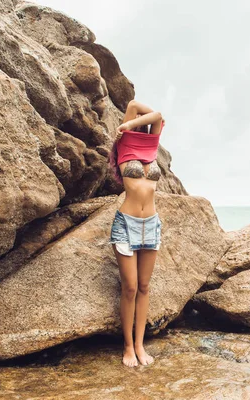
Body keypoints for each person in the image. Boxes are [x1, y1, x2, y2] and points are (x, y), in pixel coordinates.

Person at [107, 99, 165, 367]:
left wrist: (132, 124)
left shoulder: (151, 148)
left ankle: (141, 345)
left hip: (151, 225)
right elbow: (132, 104)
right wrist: (127, 125)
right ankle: (128, 347)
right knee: (129, 287)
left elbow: (157, 115)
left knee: (144, 286)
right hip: (126, 225)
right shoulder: (123, 146)